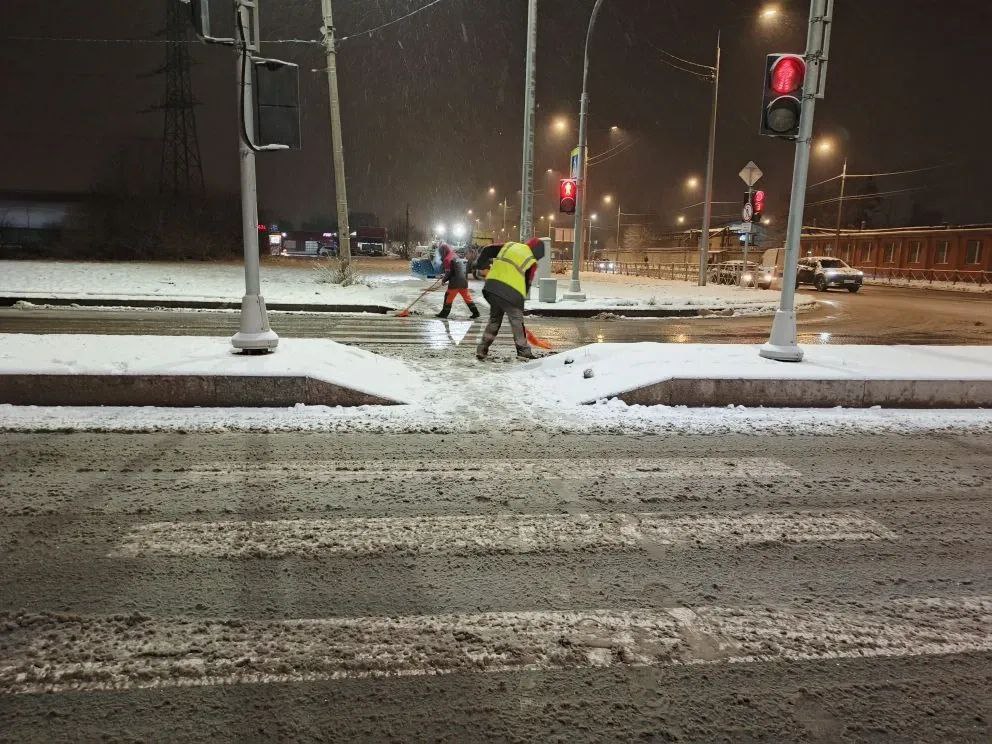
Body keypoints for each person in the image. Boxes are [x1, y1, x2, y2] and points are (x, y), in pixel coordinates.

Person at [476, 237, 544, 361]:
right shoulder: (531, 261)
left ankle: (482, 349)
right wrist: (520, 302)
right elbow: (526, 284)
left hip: (491, 288)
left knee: (494, 320)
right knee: (517, 322)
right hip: (511, 292)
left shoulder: (510, 245)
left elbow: (487, 250)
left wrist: (480, 265)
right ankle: (523, 351)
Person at [436, 243, 480, 319]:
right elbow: (455, 269)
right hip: (463, 282)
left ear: (442, 251)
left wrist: (444, 280)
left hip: (455, 283)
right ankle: (476, 312)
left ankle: (444, 313)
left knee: (448, 297)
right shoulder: (455, 255)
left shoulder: (447, 259)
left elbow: (449, 272)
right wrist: (445, 275)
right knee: (467, 298)